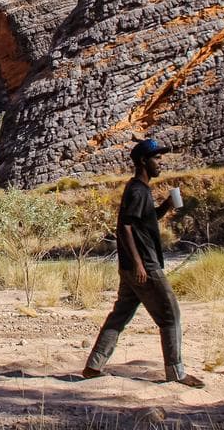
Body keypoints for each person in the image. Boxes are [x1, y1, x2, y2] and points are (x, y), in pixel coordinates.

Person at [81, 138, 205, 388]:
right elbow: (125, 227)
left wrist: (166, 207)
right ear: (142, 161)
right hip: (144, 265)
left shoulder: (139, 189)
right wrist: (139, 264)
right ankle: (176, 372)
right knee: (170, 314)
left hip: (131, 265)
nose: (160, 162)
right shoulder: (138, 190)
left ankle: (94, 366)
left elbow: (141, 222)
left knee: (120, 314)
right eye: (156, 158)